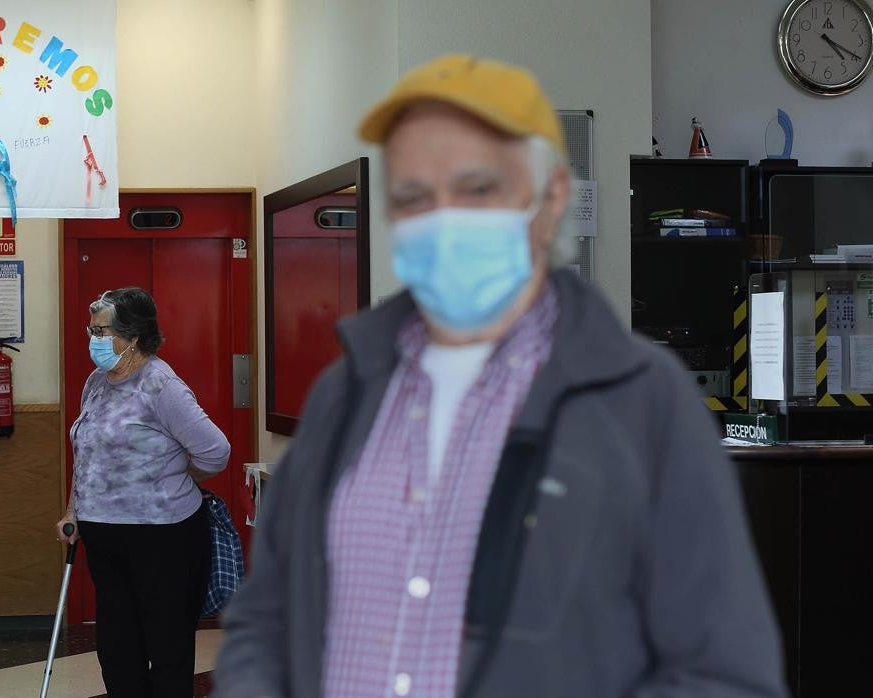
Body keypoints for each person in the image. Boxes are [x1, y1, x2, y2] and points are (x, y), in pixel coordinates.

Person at [216, 55, 787, 697]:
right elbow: (265, 622)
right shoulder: (346, 395)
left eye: (476, 188)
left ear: (550, 200)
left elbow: (721, 674)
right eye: (414, 196)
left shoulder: (642, 403)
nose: (443, 219)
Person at [57, 287, 230, 697]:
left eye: (102, 331)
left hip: (163, 536)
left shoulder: (161, 385)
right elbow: (86, 453)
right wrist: (72, 512)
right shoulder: (96, 382)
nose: (93, 340)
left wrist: (173, 476)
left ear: (132, 336)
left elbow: (215, 451)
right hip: (104, 535)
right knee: (117, 651)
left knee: (166, 647)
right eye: (92, 330)